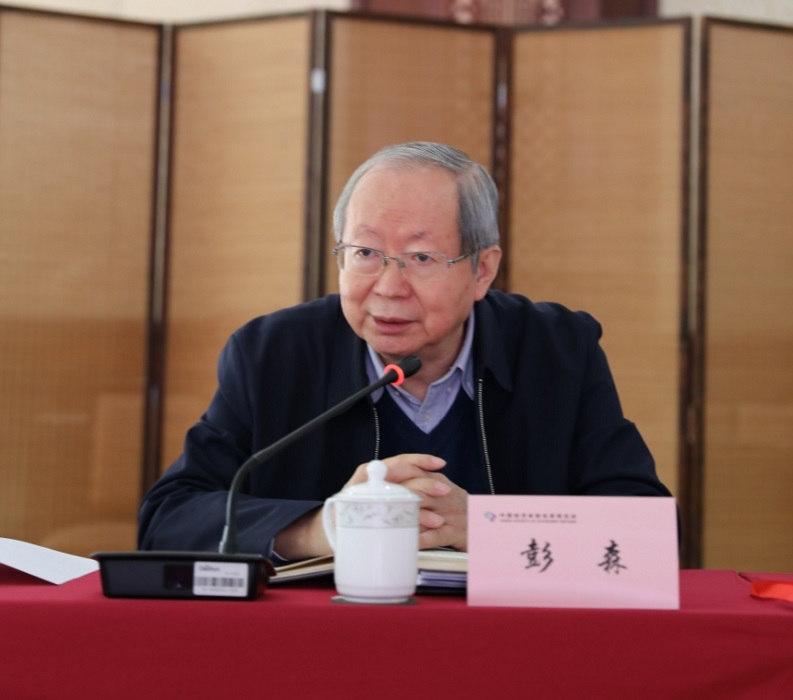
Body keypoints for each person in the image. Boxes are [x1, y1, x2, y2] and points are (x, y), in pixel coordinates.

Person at [138, 141, 672, 561]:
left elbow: (648, 531)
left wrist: (487, 527)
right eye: (365, 252)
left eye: (421, 258)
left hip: (512, 640)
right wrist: (323, 528)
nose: (388, 288)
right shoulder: (274, 354)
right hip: (326, 641)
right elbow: (170, 519)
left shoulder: (556, 352)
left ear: (482, 270)